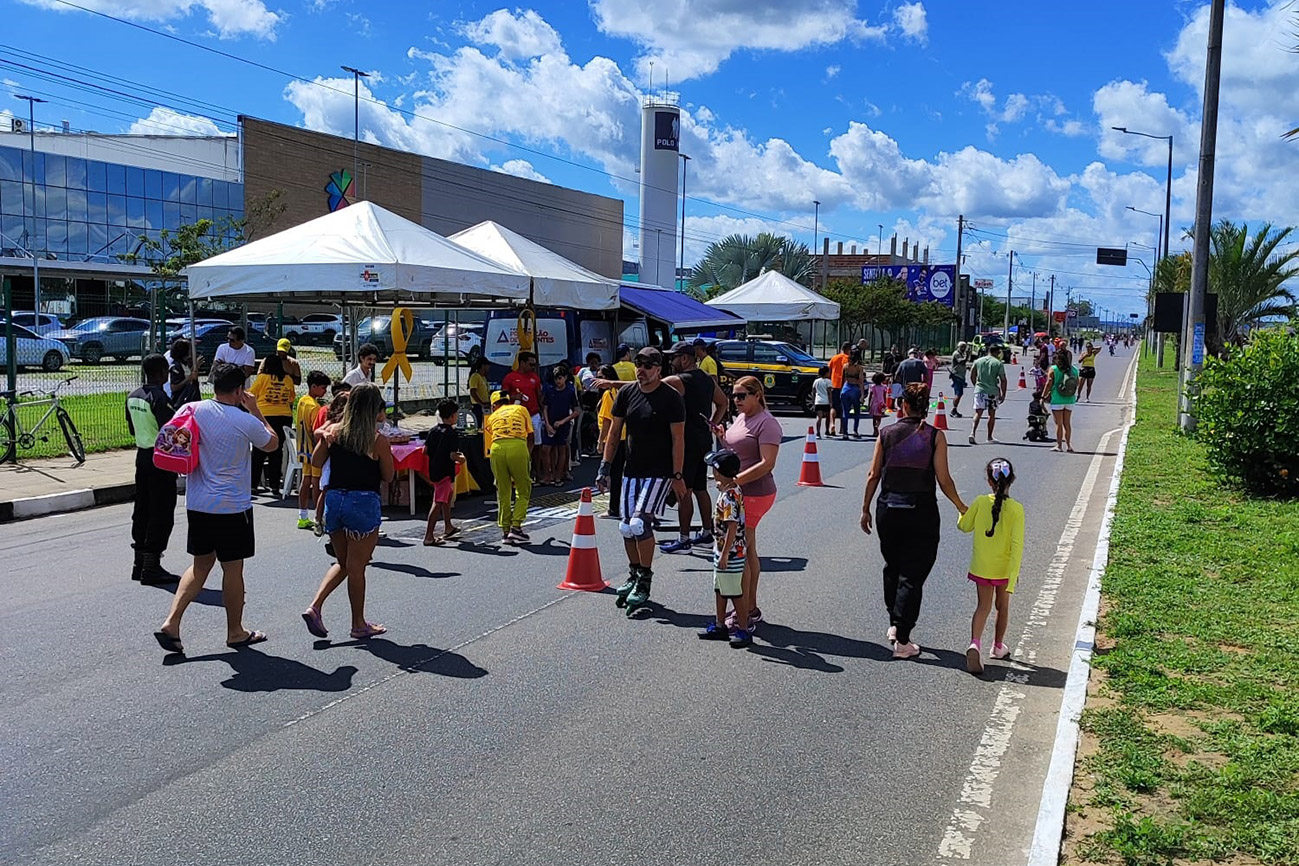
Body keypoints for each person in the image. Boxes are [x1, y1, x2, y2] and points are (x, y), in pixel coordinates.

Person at [153, 361, 278, 654]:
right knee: (232, 569)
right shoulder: (244, 420)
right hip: (232, 507)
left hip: (198, 504)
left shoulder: (193, 409)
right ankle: (235, 631)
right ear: (239, 390)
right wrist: (256, 410)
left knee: (200, 566)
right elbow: (271, 443)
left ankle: (172, 622)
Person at [859, 383, 967, 659]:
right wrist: (960, 505)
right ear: (925, 408)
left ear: (903, 405)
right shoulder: (934, 436)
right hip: (921, 510)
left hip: (888, 508)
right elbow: (943, 478)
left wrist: (865, 508)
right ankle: (903, 639)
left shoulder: (886, 434)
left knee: (892, 567)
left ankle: (894, 624)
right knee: (913, 574)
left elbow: (873, 475)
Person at [301, 383, 394, 640]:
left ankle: (315, 606)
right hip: (362, 502)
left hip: (334, 501)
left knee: (344, 562)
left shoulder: (334, 431)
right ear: (373, 410)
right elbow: (388, 475)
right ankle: (358, 623)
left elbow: (317, 461)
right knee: (357, 567)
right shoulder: (377, 440)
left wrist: (325, 437)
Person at [597, 347, 687, 613]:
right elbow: (614, 433)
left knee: (639, 523)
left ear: (659, 369)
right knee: (625, 527)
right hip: (631, 469)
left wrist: (677, 475)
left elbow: (678, 440)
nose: (642, 370)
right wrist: (604, 467)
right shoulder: (626, 393)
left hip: (659, 471)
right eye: (639, 364)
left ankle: (645, 579)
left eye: (648, 365)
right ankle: (634, 574)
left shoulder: (671, 398)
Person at [717, 376, 782, 631]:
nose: (736, 400)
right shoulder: (743, 417)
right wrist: (722, 437)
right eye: (734, 395)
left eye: (742, 395)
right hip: (740, 492)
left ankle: (745, 610)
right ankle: (749, 608)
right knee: (748, 550)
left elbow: (767, 463)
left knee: (741, 553)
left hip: (755, 492)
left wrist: (734, 481)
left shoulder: (767, 424)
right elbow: (740, 451)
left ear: (757, 395)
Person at [660, 341, 729, 553]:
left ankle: (684, 539)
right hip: (703, 441)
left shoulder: (679, 380)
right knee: (700, 489)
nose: (671, 362)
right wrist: (712, 424)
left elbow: (646, 386)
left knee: (684, 490)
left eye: (673, 357)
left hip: (686, 442)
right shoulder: (707, 380)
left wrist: (609, 383)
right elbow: (724, 402)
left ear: (684, 358)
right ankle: (707, 533)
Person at [959, 458, 1025, 673]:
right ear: (1012, 480)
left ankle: (974, 643)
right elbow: (1017, 545)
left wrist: (963, 511)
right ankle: (997, 646)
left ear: (989, 481)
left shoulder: (980, 501)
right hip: (1004, 569)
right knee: (1002, 607)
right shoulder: (1016, 509)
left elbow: (964, 526)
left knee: (983, 606)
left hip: (981, 566)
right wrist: (1013, 575)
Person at [126, 353, 179, 585]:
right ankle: (152, 567)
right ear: (161, 373)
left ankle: (139, 564)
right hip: (160, 460)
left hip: (142, 458)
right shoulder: (160, 398)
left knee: (143, 509)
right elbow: (171, 432)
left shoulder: (132, 396)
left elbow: (131, 429)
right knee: (161, 511)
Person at [696, 449, 752, 648]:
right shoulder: (732, 489)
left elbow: (732, 525)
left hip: (730, 553)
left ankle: (743, 629)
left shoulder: (728, 496)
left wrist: (725, 553)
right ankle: (720, 624)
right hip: (722, 551)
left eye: (714, 468)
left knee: (734, 592)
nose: (712, 472)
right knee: (720, 588)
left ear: (719, 471)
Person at [484, 390, 534, 544]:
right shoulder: (521, 409)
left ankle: (505, 531)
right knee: (523, 488)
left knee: (503, 490)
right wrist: (528, 455)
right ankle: (516, 527)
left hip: (497, 448)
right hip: (517, 446)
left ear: (494, 406)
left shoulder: (491, 417)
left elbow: (491, 436)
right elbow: (531, 435)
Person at [248, 351, 296, 494]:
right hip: (284, 417)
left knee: (259, 450)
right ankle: (275, 485)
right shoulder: (288, 379)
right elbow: (291, 398)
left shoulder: (262, 378)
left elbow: (251, 394)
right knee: (277, 450)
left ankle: (253, 484)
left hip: (264, 416)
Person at [422, 400, 465, 546]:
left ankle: (448, 526)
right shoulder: (452, 433)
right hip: (445, 471)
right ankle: (429, 536)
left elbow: (425, 450)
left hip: (434, 469)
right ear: (453, 416)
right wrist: (461, 458)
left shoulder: (433, 430)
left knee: (447, 496)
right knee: (438, 502)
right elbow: (453, 455)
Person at [294, 370, 331, 530]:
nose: (324, 391)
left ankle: (302, 516)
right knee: (317, 484)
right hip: (313, 450)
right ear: (314, 386)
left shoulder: (302, 401)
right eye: (322, 388)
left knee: (305, 481)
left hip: (302, 448)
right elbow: (315, 430)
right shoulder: (314, 407)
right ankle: (319, 516)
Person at [595, 364, 626, 520]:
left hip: (613, 439)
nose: (598, 380)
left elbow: (607, 421)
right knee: (622, 474)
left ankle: (614, 509)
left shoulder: (608, 394)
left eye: (600, 377)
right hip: (624, 437)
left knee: (613, 475)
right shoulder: (619, 391)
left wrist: (601, 441)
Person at [540, 365, 578, 485]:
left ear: (566, 378)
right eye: (556, 379)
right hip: (550, 423)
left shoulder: (570, 391)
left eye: (560, 378)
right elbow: (545, 408)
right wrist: (547, 424)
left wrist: (563, 421)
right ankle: (547, 476)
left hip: (563, 424)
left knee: (562, 448)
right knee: (546, 449)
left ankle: (558, 476)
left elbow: (577, 411)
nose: (558, 381)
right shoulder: (550, 390)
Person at [502, 351, 544, 457]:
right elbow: (502, 397)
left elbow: (539, 396)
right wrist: (514, 397)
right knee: (520, 441)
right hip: (517, 417)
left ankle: (536, 470)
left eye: (535, 365)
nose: (533, 367)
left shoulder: (535, 378)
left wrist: (544, 412)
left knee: (537, 443)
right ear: (522, 363)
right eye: (531, 364)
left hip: (534, 415)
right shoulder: (510, 377)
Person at [968, 346, 1008, 445]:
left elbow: (972, 375)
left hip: (980, 390)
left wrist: (976, 385)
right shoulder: (998, 363)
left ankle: (972, 433)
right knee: (991, 414)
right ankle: (989, 436)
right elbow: (1003, 379)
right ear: (997, 352)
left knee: (978, 412)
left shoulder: (978, 361)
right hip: (992, 391)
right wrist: (1003, 394)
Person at [1047, 347, 1080, 452]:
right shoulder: (1074, 370)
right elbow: (1077, 384)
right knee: (1067, 423)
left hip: (1057, 399)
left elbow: (1048, 384)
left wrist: (1043, 396)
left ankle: (1059, 445)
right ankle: (1069, 445)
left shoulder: (1054, 369)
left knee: (1059, 424)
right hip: (1070, 399)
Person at [166, 337, 203, 406]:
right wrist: (190, 377)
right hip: (180, 401)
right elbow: (174, 387)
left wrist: (195, 367)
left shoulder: (184, 364)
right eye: (190, 349)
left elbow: (188, 375)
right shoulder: (176, 366)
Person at [840, 349, 866, 439]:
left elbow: (843, 379)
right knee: (856, 411)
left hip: (845, 388)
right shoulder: (859, 368)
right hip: (855, 389)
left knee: (845, 412)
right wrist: (862, 394)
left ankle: (845, 432)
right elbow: (861, 381)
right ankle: (855, 431)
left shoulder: (845, 366)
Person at [827, 342, 851, 438]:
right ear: (848, 349)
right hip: (844, 386)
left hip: (834, 384)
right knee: (844, 408)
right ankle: (842, 427)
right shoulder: (848, 359)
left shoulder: (834, 358)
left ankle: (832, 424)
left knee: (833, 407)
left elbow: (829, 370)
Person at [949, 341, 973, 417]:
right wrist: (967, 355)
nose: (963, 348)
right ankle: (953, 409)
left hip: (961, 375)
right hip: (957, 375)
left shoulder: (961, 354)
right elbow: (961, 362)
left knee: (959, 393)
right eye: (962, 347)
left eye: (964, 347)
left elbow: (963, 364)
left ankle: (955, 409)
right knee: (958, 393)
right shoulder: (956, 354)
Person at [467, 356, 492, 429]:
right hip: (478, 406)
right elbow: (473, 392)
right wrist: (481, 403)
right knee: (478, 426)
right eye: (487, 365)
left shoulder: (483, 377)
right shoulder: (475, 376)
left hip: (485, 405)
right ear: (483, 366)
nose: (489, 367)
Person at [813, 366, 832, 438]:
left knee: (819, 417)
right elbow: (829, 392)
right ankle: (827, 431)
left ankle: (818, 433)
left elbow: (813, 391)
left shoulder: (816, 381)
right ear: (826, 373)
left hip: (818, 401)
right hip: (826, 401)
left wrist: (813, 401)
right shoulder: (828, 381)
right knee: (827, 417)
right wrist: (831, 402)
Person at [868, 371, 889, 437]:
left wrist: (869, 404)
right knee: (879, 417)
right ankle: (877, 426)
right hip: (881, 404)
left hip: (874, 403)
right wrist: (885, 404)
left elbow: (870, 396)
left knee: (874, 418)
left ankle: (875, 429)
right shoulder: (884, 387)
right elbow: (884, 396)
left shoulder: (872, 386)